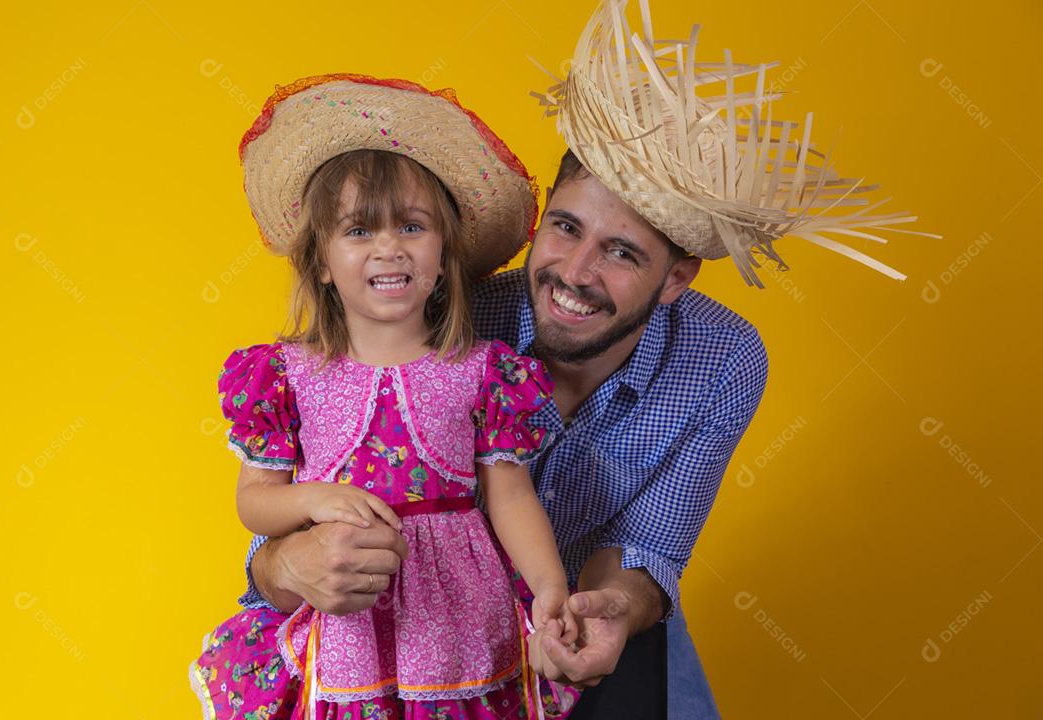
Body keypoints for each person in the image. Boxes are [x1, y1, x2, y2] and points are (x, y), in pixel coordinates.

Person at [242, 1, 932, 715]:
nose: (574, 273)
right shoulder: (449, 315)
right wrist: (288, 564)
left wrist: (598, 608)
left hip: (571, 625)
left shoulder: (722, 359)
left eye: (621, 252)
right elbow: (297, 490)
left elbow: (647, 547)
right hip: (388, 628)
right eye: (566, 228)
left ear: (675, 278)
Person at [190, 73, 584, 720]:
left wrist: (549, 587)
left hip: (459, 620)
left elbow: (510, 496)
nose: (388, 247)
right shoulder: (287, 374)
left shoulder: (483, 371)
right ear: (320, 262)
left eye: (411, 226)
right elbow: (254, 502)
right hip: (350, 616)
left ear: (443, 254)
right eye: (358, 231)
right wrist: (313, 499)